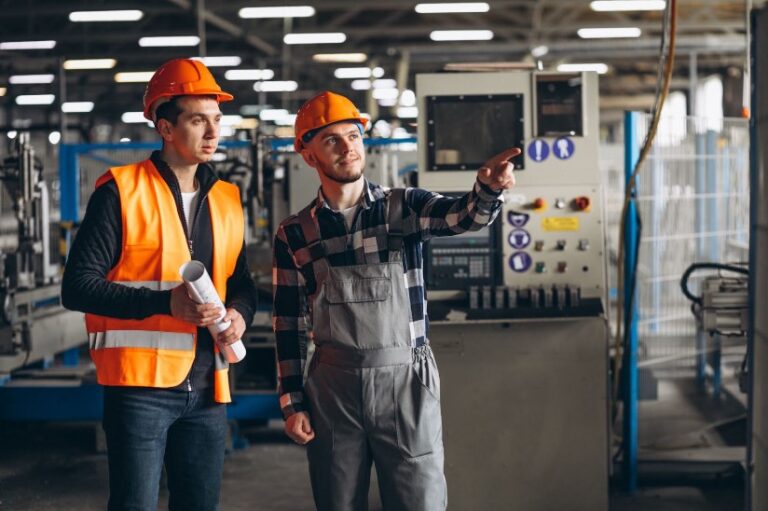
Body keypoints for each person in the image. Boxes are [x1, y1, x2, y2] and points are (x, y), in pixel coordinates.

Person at [272, 91, 519, 511]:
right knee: (337, 501)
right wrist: (293, 402)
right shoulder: (294, 233)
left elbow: (462, 216)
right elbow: (287, 324)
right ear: (309, 155)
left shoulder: (404, 209)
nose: (348, 146)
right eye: (331, 139)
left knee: (417, 500)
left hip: (406, 381)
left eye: (353, 135)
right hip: (333, 388)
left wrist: (487, 190)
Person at [62, 58, 257, 511]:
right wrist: (166, 304)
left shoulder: (227, 198)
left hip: (210, 387)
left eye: (216, 121)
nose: (212, 133)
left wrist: (240, 315)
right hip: (140, 390)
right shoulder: (120, 192)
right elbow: (78, 287)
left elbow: (242, 283)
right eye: (197, 121)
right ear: (166, 128)